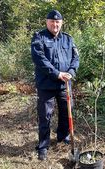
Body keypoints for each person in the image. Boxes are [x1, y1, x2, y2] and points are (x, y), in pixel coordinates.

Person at [31, 10, 80, 160]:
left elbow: (76, 58)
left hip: (65, 84)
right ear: (47, 22)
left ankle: (63, 137)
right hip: (46, 85)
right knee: (45, 116)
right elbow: (39, 59)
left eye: (58, 22)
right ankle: (43, 146)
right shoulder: (39, 38)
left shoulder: (68, 39)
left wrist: (71, 71)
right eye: (52, 21)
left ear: (61, 23)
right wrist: (57, 73)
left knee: (66, 112)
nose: (55, 24)